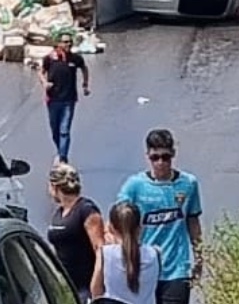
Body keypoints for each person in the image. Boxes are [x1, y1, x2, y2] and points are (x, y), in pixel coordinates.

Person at [116, 129, 202, 304]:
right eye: (155, 158)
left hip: (177, 269)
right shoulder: (135, 186)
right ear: (148, 155)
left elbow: (193, 221)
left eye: (166, 157)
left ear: (173, 155)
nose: (161, 163)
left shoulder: (188, 184)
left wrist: (199, 256)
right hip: (144, 268)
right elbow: (117, 219)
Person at [46, 163, 105, 303]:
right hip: (65, 286)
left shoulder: (86, 210)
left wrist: (96, 289)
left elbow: (101, 250)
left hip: (85, 286)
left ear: (55, 186)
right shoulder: (59, 213)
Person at [91, 201, 161, 304]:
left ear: (111, 228)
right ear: (140, 227)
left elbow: (96, 290)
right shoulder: (154, 253)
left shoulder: (105, 253)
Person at [40, 33, 89, 164]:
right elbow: (41, 72)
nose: (68, 44)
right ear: (59, 44)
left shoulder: (75, 59)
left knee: (64, 130)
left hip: (69, 100)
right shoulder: (50, 59)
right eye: (65, 42)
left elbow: (84, 69)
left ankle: (63, 158)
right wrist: (44, 83)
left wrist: (85, 84)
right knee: (55, 130)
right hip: (53, 100)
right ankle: (61, 151)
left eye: (70, 42)